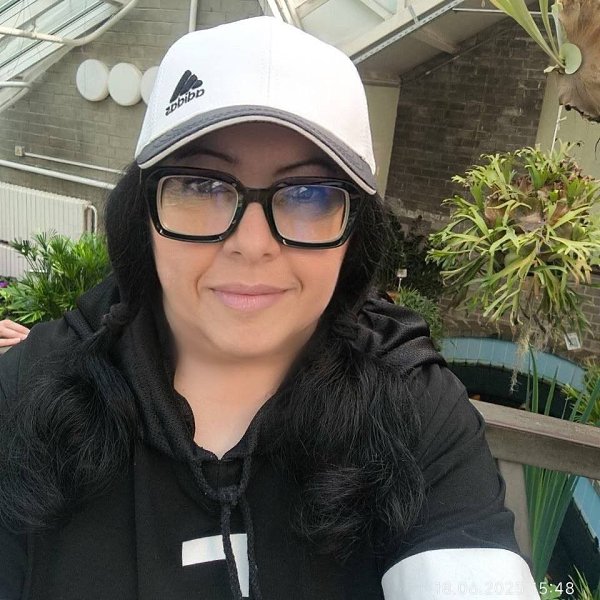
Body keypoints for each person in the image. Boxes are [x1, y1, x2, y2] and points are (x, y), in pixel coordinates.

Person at [0, 16, 540, 600]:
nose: (253, 244)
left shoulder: (414, 409)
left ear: (354, 231)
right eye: (202, 186)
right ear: (144, 212)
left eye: (308, 194)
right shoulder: (26, 392)